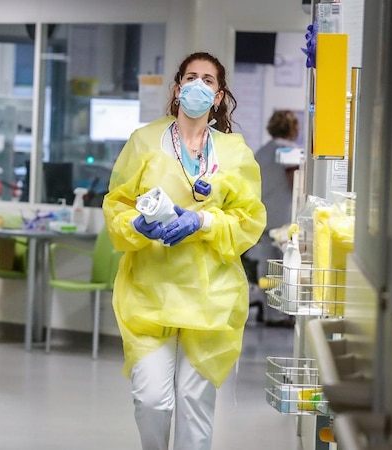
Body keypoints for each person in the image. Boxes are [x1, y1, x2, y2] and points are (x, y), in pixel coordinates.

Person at [102, 52, 266, 450]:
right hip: (149, 294)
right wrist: (136, 226)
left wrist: (202, 222)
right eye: (190, 77)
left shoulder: (234, 152)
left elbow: (249, 222)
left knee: (195, 405)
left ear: (219, 95)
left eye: (207, 80)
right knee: (152, 400)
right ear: (177, 88)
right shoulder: (144, 141)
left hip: (209, 298)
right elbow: (116, 204)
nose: (197, 85)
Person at [245, 110, 301, 327]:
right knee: (284, 267)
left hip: (265, 215)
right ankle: (283, 316)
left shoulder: (262, 151)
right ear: (294, 128)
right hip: (285, 217)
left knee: (267, 267)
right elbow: (294, 181)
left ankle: (271, 314)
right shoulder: (289, 150)